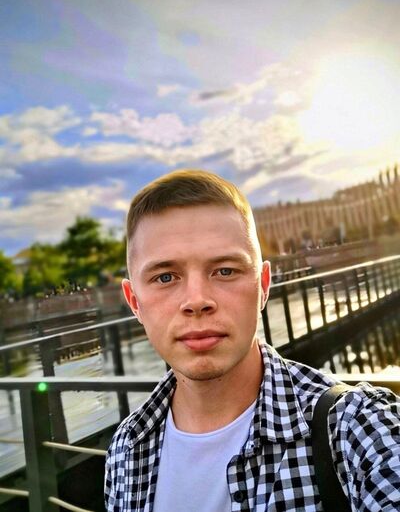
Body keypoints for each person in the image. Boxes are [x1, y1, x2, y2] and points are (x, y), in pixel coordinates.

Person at [105, 169, 400, 512]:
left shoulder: (357, 430)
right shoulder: (125, 449)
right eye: (165, 277)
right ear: (134, 302)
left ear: (263, 286)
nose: (197, 300)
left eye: (225, 271)